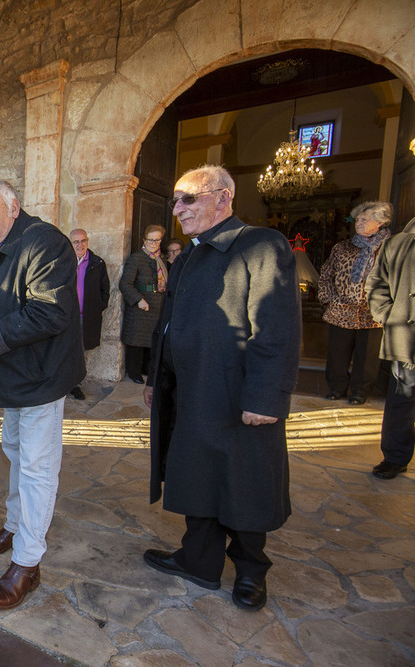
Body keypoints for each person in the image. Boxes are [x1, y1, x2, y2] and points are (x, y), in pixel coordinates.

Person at [142, 165, 300, 612]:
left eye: (188, 199)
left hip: (238, 394)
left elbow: (276, 328)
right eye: (175, 201)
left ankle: (251, 570)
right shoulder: (189, 255)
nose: (178, 209)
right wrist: (156, 378)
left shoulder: (261, 244)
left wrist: (266, 398)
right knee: (197, 476)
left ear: (223, 198)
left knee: (245, 483)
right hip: (191, 391)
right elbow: (166, 326)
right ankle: (199, 560)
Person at [0, 178, 83, 610]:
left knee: (36, 466)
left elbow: (49, 312)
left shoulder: (46, 242)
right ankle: (14, 527)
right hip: (12, 368)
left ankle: (27, 564)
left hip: (43, 374)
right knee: (13, 450)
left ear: (13, 206)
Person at [318, 202, 392, 405]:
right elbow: (326, 274)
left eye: (364, 219)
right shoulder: (342, 247)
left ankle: (360, 391)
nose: (358, 223)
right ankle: (336, 387)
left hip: (373, 314)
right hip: (341, 310)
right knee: (337, 354)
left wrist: (387, 307)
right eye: (357, 219)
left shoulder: (389, 249)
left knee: (367, 358)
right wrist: (329, 299)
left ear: (380, 222)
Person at [366, 215, 415, 480]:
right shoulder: (398, 244)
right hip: (406, 333)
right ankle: (396, 457)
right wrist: (388, 315)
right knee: (402, 399)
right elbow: (376, 284)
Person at [120, 225, 167, 383]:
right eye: (150, 240)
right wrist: (138, 299)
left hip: (157, 304)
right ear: (144, 240)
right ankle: (134, 372)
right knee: (137, 340)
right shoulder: (136, 258)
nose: (153, 243)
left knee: (152, 339)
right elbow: (125, 283)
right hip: (140, 307)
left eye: (157, 240)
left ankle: (147, 369)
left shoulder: (162, 259)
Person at [68, 228, 110, 400]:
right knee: (65, 350)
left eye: (83, 241)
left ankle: (75, 385)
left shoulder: (97, 263)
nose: (80, 245)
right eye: (76, 242)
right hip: (66, 318)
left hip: (86, 318)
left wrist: (96, 308)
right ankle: (62, 383)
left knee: (82, 353)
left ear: (88, 241)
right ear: (70, 243)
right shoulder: (63, 262)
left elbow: (105, 290)